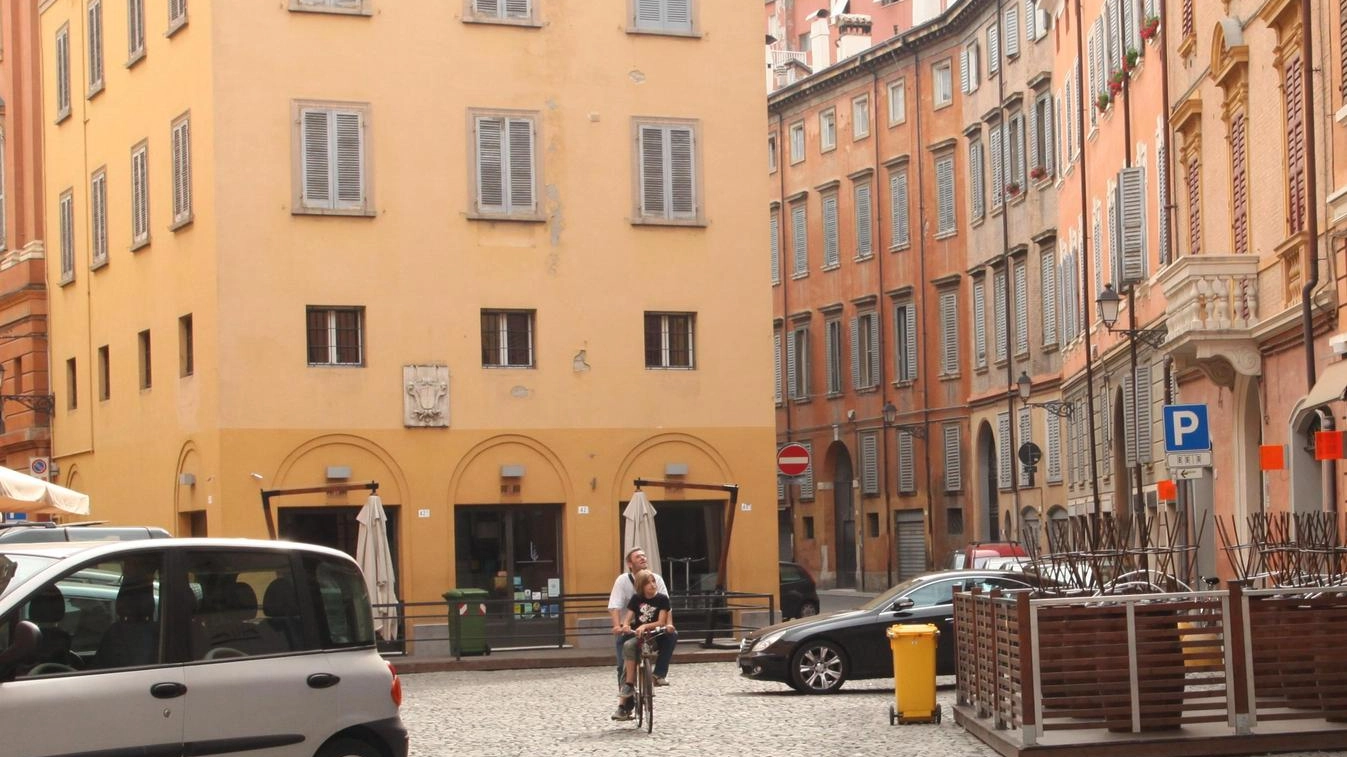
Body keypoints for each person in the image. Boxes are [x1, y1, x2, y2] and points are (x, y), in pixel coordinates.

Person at [607, 547, 678, 719]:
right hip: (630, 629)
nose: (643, 558)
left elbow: (666, 608)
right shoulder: (623, 581)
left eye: (644, 556)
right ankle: (624, 705)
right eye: (638, 557)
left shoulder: (658, 581)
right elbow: (615, 606)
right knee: (623, 662)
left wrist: (670, 625)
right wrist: (619, 626)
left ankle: (658, 674)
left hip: (653, 628)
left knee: (671, 636)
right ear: (630, 564)